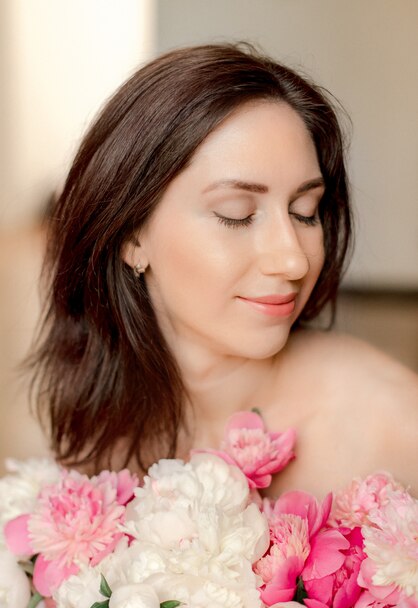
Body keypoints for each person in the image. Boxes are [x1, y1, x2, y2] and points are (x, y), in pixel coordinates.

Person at [31, 43, 418, 499]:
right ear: (131, 236)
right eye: (237, 214)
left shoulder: (393, 426)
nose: (293, 259)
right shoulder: (101, 418)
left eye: (305, 211)